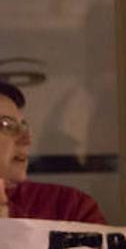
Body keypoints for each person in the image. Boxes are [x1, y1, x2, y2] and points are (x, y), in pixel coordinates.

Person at [0, 81, 106, 223]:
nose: (26, 140)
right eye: (7, 125)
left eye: (23, 126)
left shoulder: (68, 208)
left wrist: (8, 223)